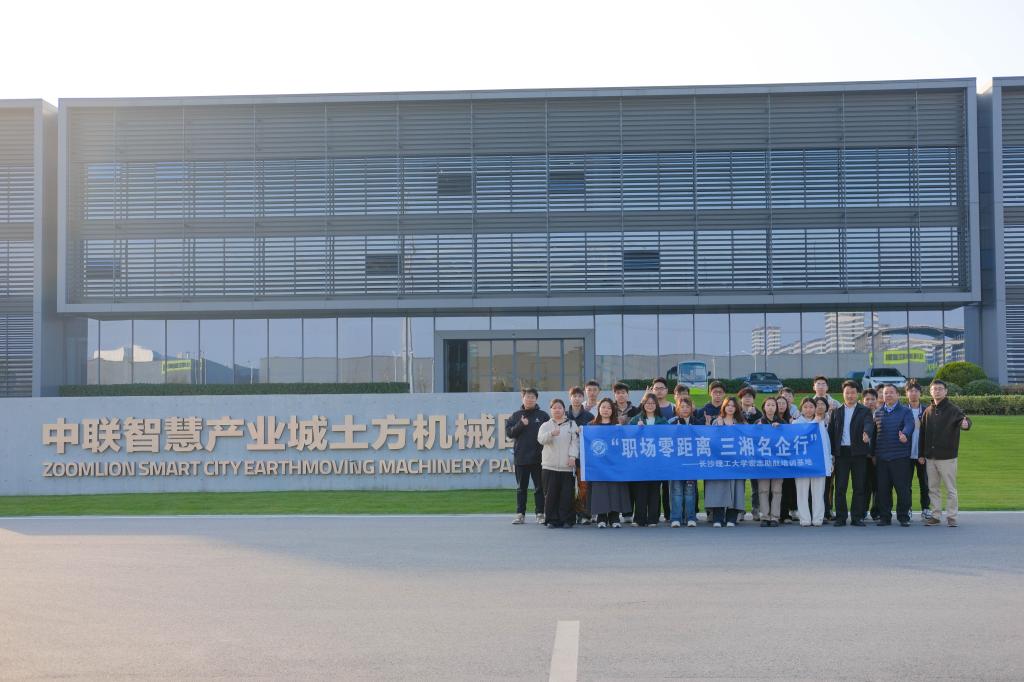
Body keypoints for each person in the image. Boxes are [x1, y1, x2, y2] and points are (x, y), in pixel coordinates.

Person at [919, 380, 972, 527]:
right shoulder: (928, 411)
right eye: (934, 389)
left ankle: (952, 517)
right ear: (930, 392)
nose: (937, 391)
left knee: (950, 489)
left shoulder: (953, 409)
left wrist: (966, 424)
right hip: (930, 457)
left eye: (940, 389)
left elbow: (964, 420)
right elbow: (922, 434)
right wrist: (921, 454)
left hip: (947, 457)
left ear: (945, 391)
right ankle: (935, 516)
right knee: (933, 488)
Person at [828, 380, 875, 527]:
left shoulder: (864, 411)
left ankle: (857, 517)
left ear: (858, 394)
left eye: (853, 393)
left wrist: (867, 433)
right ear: (843, 394)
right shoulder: (836, 412)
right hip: (841, 453)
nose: (850, 395)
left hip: (859, 453)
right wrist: (831, 454)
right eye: (847, 393)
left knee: (859, 487)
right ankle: (841, 517)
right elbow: (831, 433)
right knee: (840, 487)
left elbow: (869, 424)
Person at [872, 384, 917, 527]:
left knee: (902, 489)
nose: (888, 395)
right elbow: (875, 435)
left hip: (900, 457)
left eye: (891, 392)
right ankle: (885, 517)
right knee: (883, 490)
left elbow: (910, 425)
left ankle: (903, 517)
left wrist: (905, 434)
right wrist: (873, 454)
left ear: (898, 395)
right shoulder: (878, 412)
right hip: (882, 458)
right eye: (886, 393)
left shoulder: (905, 411)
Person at [505, 388, 550, 525]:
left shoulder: (543, 416)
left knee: (539, 488)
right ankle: (520, 514)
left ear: (536, 399)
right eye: (527, 397)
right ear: (522, 398)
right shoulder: (516, 416)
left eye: (532, 397)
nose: (530, 399)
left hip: (539, 458)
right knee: (521, 488)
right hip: (521, 458)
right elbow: (510, 433)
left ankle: (540, 514)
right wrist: (521, 424)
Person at [587, 399, 632, 528]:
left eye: (609, 408)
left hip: (614, 464)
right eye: (603, 407)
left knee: (615, 490)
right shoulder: (591, 426)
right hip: (598, 465)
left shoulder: (617, 426)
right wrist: (581, 431)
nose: (606, 410)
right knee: (600, 490)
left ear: (613, 410)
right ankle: (601, 517)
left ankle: (614, 517)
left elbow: (625, 444)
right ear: (599, 409)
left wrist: (622, 431)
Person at [537, 399, 580, 529]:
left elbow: (575, 442)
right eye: (554, 408)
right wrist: (551, 434)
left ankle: (567, 520)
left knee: (567, 495)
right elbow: (540, 440)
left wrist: (573, 456)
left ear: (564, 410)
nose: (557, 410)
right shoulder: (546, 425)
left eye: (559, 407)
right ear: (551, 410)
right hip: (549, 466)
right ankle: (552, 520)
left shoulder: (572, 424)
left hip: (567, 467)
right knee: (551, 495)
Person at [705, 397, 746, 528]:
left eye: (733, 406)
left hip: (736, 462)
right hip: (719, 462)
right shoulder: (716, 422)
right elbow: (710, 441)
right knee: (718, 488)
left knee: (736, 489)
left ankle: (731, 518)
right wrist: (718, 427)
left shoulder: (741, 423)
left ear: (736, 408)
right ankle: (717, 517)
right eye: (728, 405)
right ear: (723, 407)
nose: (730, 408)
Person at [628, 392, 668, 527]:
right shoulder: (636, 420)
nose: (650, 405)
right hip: (640, 462)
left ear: (656, 405)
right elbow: (627, 438)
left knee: (654, 490)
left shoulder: (662, 420)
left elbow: (668, 437)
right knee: (640, 490)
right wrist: (636, 429)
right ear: (643, 404)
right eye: (647, 403)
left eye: (652, 403)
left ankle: (653, 519)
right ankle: (639, 518)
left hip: (657, 462)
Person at [792, 397, 832, 527]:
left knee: (818, 492)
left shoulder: (820, 423)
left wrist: (829, 460)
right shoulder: (796, 424)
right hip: (802, 462)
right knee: (802, 492)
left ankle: (818, 518)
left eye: (811, 407)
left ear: (815, 409)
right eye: (805, 407)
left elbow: (826, 443)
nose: (808, 409)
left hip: (818, 462)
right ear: (801, 409)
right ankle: (804, 518)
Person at [668, 396, 700, 528]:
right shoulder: (671, 422)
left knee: (690, 491)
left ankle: (690, 517)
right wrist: (676, 431)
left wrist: (693, 432)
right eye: (682, 407)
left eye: (688, 406)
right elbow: (666, 441)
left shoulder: (697, 422)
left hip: (691, 463)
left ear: (692, 408)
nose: (685, 409)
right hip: (675, 463)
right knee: (676, 491)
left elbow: (704, 440)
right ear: (677, 408)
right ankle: (676, 517)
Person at [612, 381, 640, 524]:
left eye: (623, 393)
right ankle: (618, 513)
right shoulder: (609, 409)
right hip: (615, 451)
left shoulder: (635, 410)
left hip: (632, 451)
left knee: (632, 483)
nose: (621, 395)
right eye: (618, 393)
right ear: (614, 395)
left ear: (628, 395)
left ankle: (630, 513)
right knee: (619, 484)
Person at [566, 387, 595, 525]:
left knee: (584, 487)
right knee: (567, 488)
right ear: (570, 398)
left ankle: (583, 514)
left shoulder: (589, 416)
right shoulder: (564, 415)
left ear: (583, 398)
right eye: (574, 396)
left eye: (579, 396)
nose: (577, 398)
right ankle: (569, 514)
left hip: (584, 457)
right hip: (566, 456)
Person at [904, 380, 932, 521]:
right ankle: (907, 509)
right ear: (906, 393)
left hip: (922, 454)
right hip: (906, 454)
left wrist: (925, 453)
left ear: (920, 393)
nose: (913, 393)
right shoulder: (902, 410)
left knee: (925, 483)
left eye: (916, 391)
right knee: (906, 484)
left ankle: (926, 508)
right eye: (911, 391)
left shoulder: (927, 410)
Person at [756, 397, 784, 527]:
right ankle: (764, 516)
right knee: (763, 490)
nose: (771, 407)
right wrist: (758, 429)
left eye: (773, 405)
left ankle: (775, 517)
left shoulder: (782, 422)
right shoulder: (759, 423)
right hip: (763, 462)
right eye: (768, 405)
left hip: (778, 463)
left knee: (777, 490)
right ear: (764, 407)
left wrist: (780, 428)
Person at [650, 377, 675, 521]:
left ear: (666, 390)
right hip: (651, 451)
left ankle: (668, 514)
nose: (659, 391)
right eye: (656, 388)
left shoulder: (673, 407)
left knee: (667, 485)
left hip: (668, 451)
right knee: (654, 485)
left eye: (661, 388)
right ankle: (654, 514)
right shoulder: (648, 406)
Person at [738, 386, 761, 519]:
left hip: (754, 453)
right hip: (739, 452)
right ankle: (739, 510)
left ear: (753, 399)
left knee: (755, 484)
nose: (747, 398)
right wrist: (746, 415)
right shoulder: (735, 411)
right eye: (745, 396)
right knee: (739, 483)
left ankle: (756, 509)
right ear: (740, 398)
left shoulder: (758, 413)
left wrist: (753, 416)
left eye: (750, 396)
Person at [775, 394, 797, 523]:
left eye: (784, 403)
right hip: (774, 459)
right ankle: (776, 513)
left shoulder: (792, 420)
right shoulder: (769, 420)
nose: (781, 405)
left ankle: (786, 513)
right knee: (776, 488)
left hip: (789, 458)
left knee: (789, 486)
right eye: (778, 403)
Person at [861, 388, 880, 521]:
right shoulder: (859, 415)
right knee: (863, 485)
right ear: (862, 401)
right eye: (867, 399)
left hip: (877, 457)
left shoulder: (881, 416)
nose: (870, 402)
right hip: (862, 456)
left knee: (878, 485)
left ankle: (876, 511)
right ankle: (862, 511)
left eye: (873, 399)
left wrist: (875, 454)